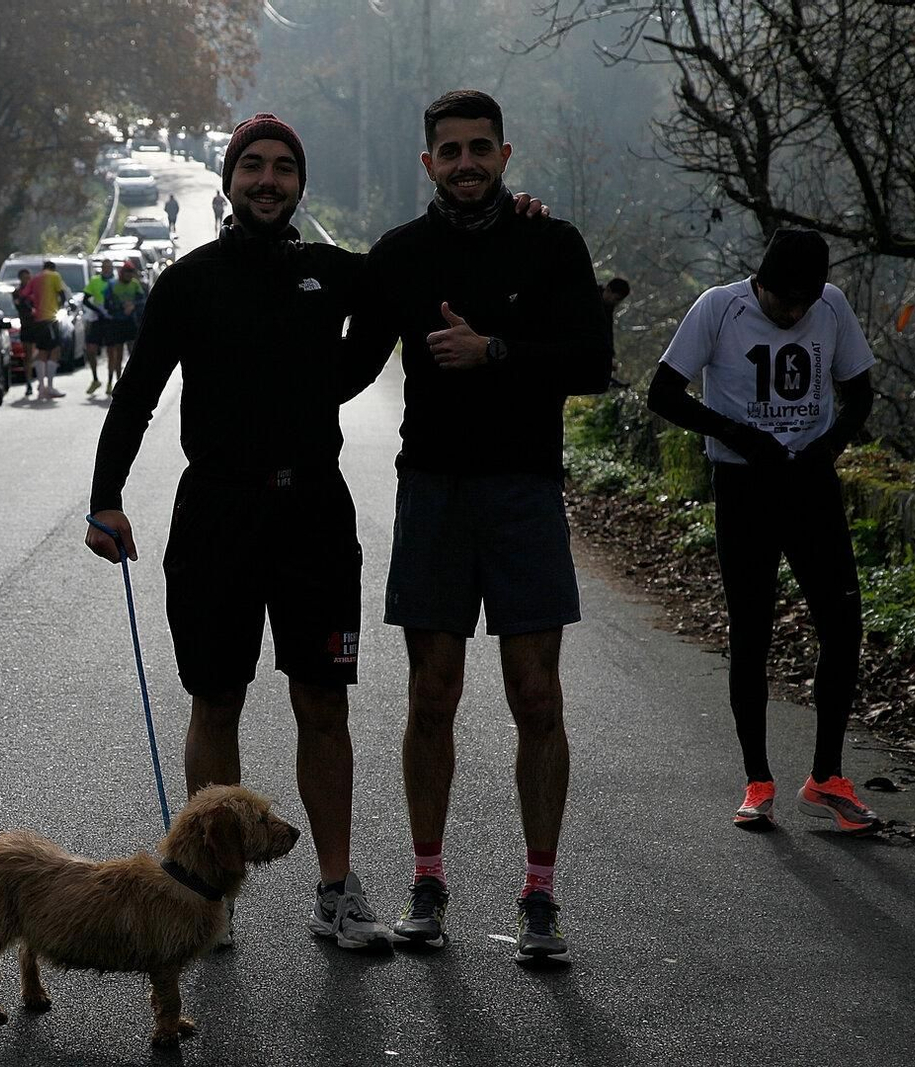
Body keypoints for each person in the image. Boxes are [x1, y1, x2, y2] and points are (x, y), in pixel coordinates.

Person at [86, 113, 397, 951]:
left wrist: (334, 382)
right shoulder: (188, 282)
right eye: (252, 166)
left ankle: (336, 888)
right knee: (216, 697)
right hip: (216, 512)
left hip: (315, 516)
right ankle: (207, 899)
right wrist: (105, 496)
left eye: (283, 168)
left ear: (301, 183)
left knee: (322, 701)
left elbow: (409, 286)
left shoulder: (333, 274)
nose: (268, 180)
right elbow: (137, 394)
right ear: (229, 180)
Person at [343, 89, 611, 966]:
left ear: (505, 154)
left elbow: (596, 364)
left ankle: (541, 894)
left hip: (525, 492)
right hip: (432, 493)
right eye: (449, 150)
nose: (465, 163)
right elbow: (343, 364)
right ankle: (428, 883)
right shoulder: (400, 255)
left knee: (538, 697)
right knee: (432, 695)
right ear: (428, 163)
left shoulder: (552, 243)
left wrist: (494, 349)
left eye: (480, 149)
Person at [646, 227, 879, 836]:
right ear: (762, 282)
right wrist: (742, 436)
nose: (795, 314)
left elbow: (859, 391)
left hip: (810, 483)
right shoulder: (720, 307)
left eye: (804, 303)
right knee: (752, 630)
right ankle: (758, 782)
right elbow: (662, 392)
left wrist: (829, 446)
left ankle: (826, 777)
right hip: (745, 486)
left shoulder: (831, 305)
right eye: (784, 303)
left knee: (843, 624)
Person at [20, 261, 69, 399]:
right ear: (53, 268)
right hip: (50, 319)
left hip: (38, 320)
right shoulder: (54, 276)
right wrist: (59, 308)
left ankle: (41, 386)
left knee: (41, 351)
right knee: (54, 350)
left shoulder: (35, 278)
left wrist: (32, 309)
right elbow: (62, 294)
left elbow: (23, 297)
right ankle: (50, 386)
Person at [100, 262, 145, 396]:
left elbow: (142, 300)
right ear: (122, 273)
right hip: (117, 322)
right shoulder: (113, 285)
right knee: (117, 354)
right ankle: (118, 381)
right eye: (127, 273)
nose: (129, 276)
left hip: (131, 322)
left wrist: (132, 305)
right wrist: (120, 307)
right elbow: (106, 303)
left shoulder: (135, 284)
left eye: (131, 273)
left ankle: (133, 382)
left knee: (133, 353)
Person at [81, 259, 113, 395]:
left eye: (109, 267)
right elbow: (85, 299)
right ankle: (95, 379)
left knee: (112, 353)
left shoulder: (116, 282)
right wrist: (96, 309)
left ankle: (111, 382)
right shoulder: (95, 281)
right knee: (91, 350)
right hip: (97, 320)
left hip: (111, 321)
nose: (106, 269)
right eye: (104, 267)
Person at [13, 268, 41, 397]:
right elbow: (20, 305)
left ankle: (41, 381)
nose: (27, 280)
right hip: (26, 326)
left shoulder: (36, 290)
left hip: (38, 325)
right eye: (24, 278)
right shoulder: (17, 293)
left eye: (28, 277)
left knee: (41, 353)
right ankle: (28, 383)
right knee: (27, 355)